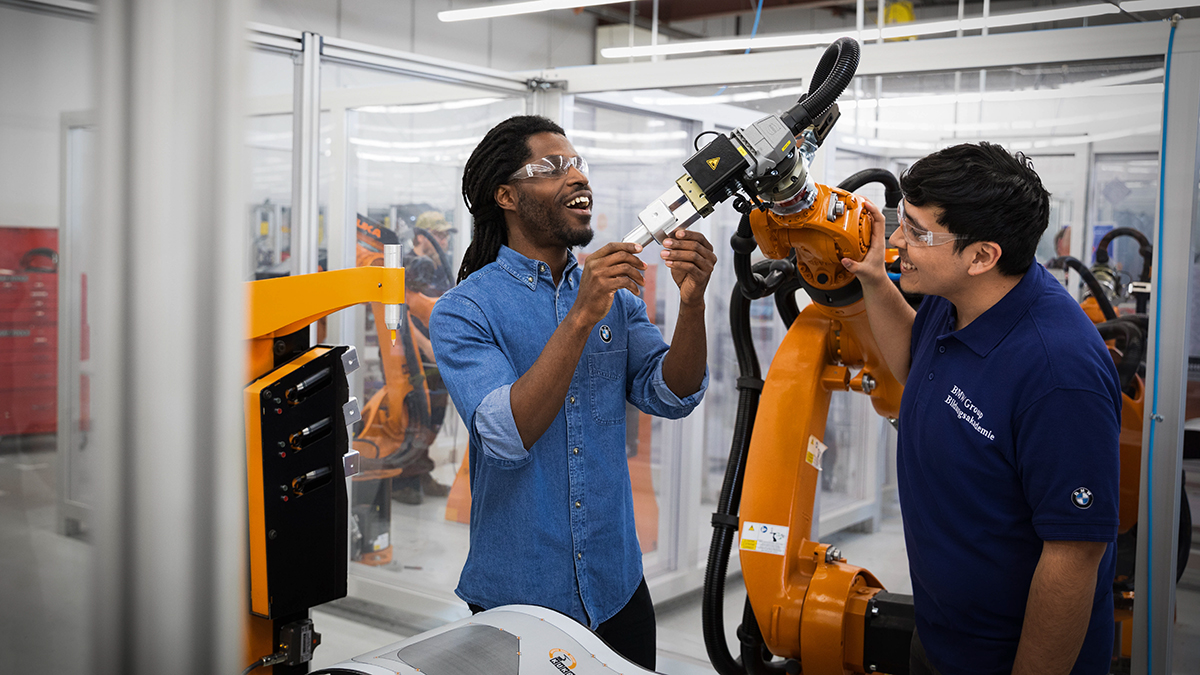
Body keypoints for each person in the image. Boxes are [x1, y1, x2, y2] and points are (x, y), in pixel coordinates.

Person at [428, 115, 715, 670]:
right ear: (506, 195)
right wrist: (582, 314)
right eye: (551, 167)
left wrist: (693, 306)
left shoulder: (617, 299)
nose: (576, 176)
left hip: (617, 587)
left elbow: (672, 393)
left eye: (578, 164)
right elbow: (508, 435)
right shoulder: (465, 310)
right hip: (519, 596)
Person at [842, 142, 1121, 675]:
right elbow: (913, 363)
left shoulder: (1058, 373)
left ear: (981, 256)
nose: (899, 239)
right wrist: (875, 280)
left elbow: (1075, 555)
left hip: (1006, 657)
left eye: (919, 232)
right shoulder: (956, 303)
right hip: (941, 630)